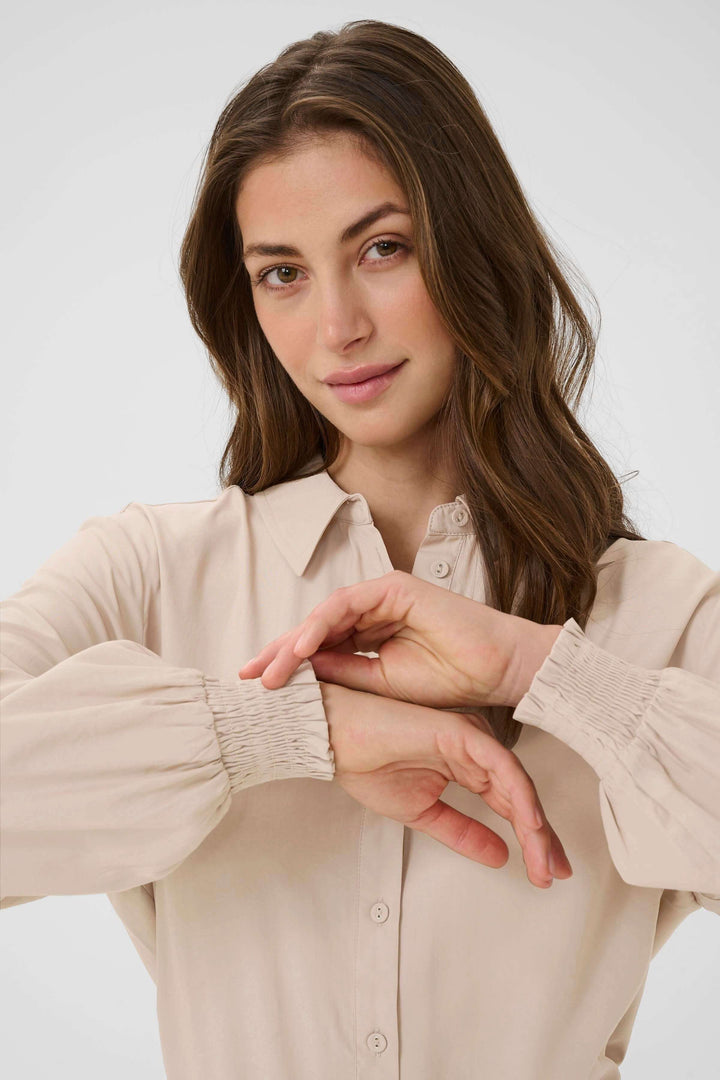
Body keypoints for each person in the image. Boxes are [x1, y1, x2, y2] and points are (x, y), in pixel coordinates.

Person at [1, 17, 718, 1079]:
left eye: (383, 249)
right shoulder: (149, 573)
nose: (335, 326)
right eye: (281, 273)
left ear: (471, 246)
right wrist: (291, 731)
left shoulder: (657, 609)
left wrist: (538, 670)